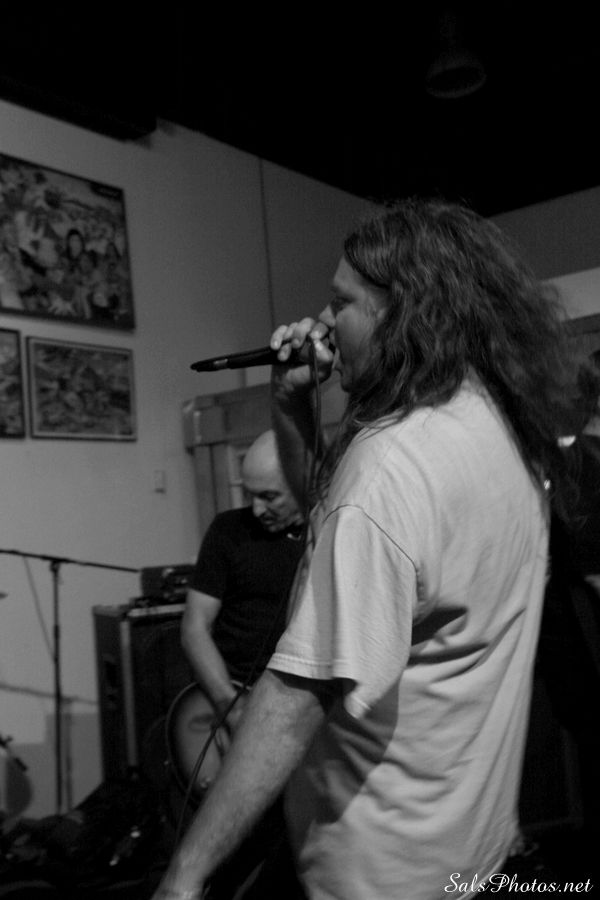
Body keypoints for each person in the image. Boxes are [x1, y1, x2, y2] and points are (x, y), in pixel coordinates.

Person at [153, 197, 581, 900]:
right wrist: (292, 401)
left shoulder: (389, 470)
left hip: (373, 868)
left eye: (341, 302)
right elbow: (337, 517)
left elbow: (296, 697)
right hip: (466, 848)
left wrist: (185, 875)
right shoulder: (497, 428)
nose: (322, 324)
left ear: (406, 312)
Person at [175, 429, 305, 898]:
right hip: (227, 707)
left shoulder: (331, 534)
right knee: (221, 864)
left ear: (303, 479)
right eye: (249, 495)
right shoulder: (228, 531)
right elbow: (194, 628)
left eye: (269, 496)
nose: (256, 508)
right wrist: (231, 708)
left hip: (295, 713)